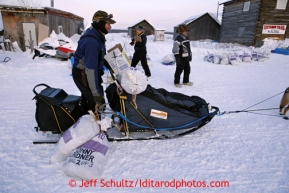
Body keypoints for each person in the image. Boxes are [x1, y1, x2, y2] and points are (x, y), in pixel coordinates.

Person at [72, 10, 115, 116]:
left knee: (94, 100)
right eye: (108, 24)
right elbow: (90, 70)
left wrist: (110, 64)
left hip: (89, 73)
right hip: (83, 74)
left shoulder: (98, 35)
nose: (110, 27)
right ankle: (89, 127)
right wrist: (96, 96)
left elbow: (99, 57)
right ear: (100, 22)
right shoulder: (92, 41)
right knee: (97, 102)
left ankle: (85, 113)